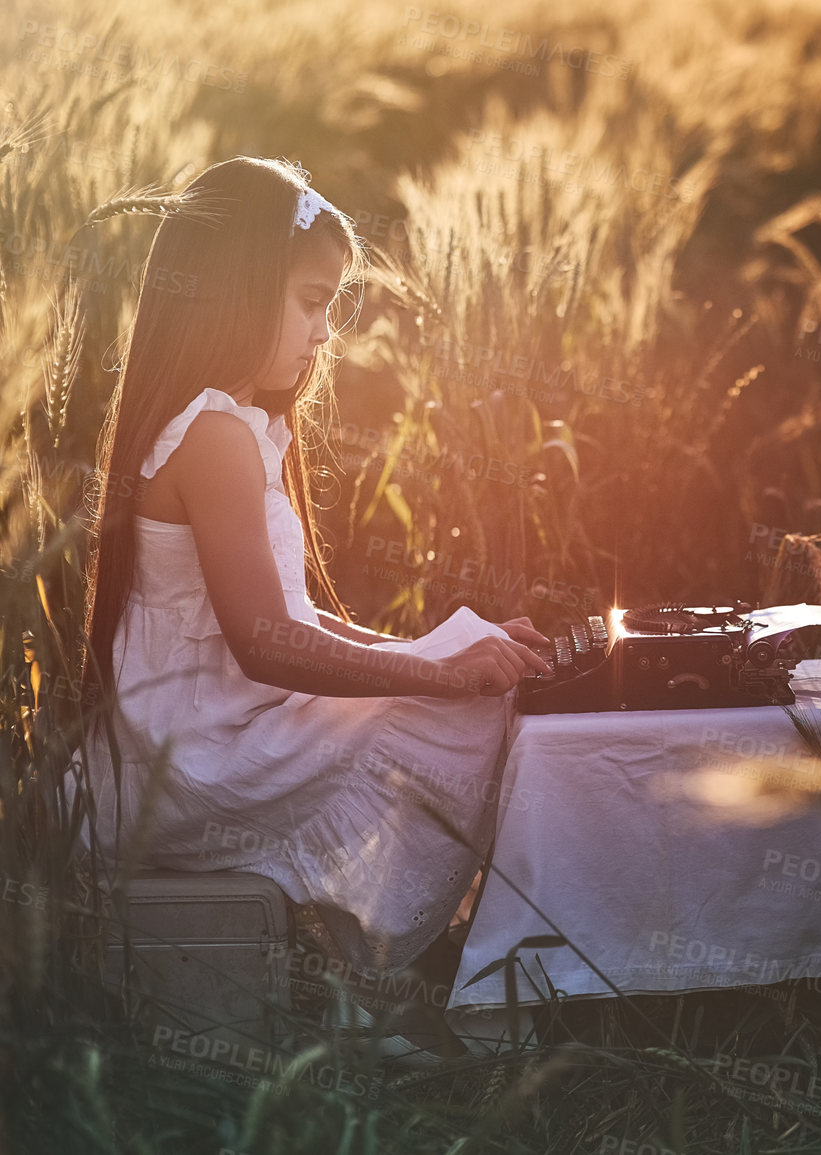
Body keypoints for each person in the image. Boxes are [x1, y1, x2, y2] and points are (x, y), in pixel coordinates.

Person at [72, 156, 553, 1060]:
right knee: (456, 706)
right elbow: (265, 645)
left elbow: (300, 617)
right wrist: (439, 675)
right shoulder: (213, 436)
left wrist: (445, 650)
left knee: (456, 667)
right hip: (195, 754)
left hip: (217, 725)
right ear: (234, 291)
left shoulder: (236, 426)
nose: (324, 333)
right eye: (309, 300)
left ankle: (391, 973)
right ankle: (422, 979)